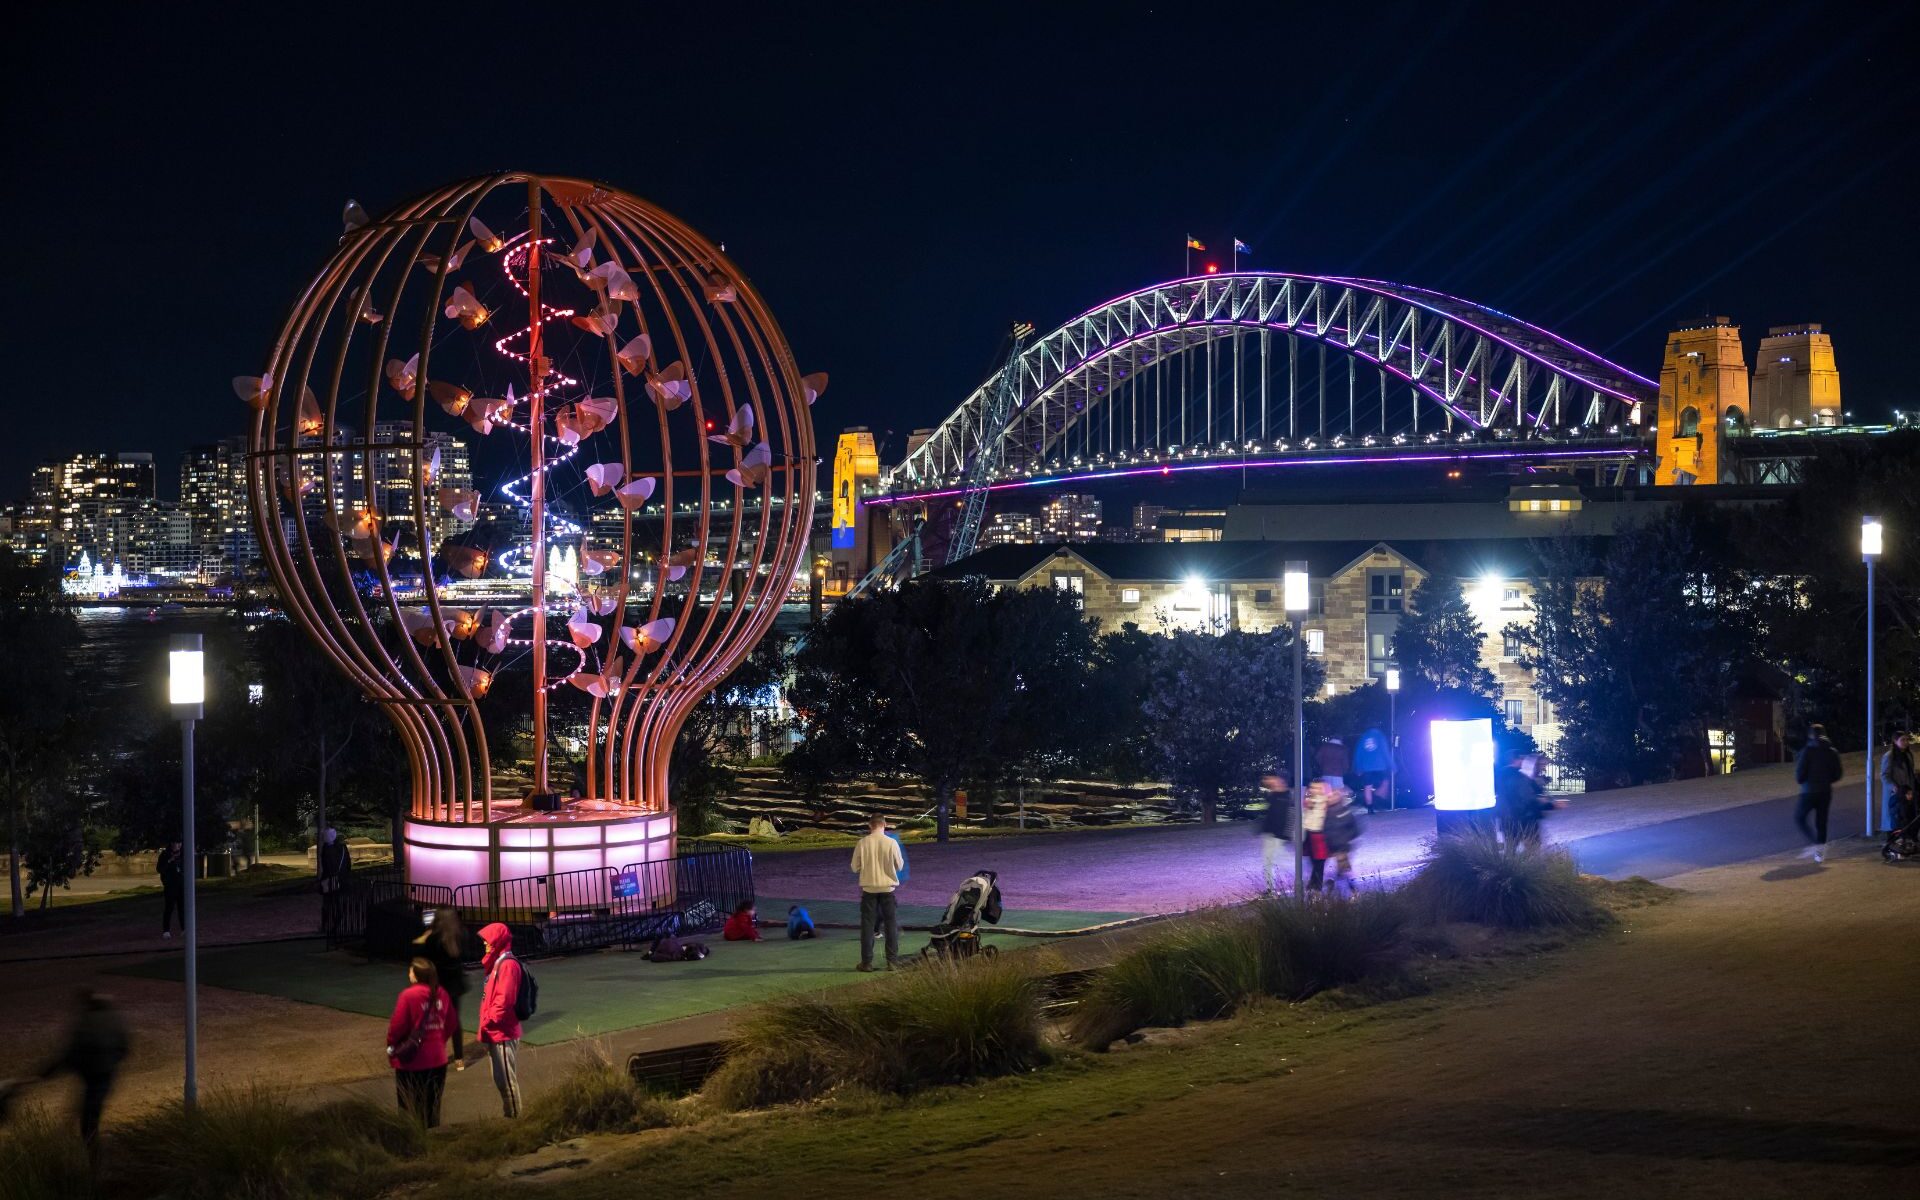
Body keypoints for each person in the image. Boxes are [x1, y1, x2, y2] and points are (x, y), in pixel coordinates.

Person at [36, 989, 128, 1168]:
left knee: (88, 1123)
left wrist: (44, 1073)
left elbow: (70, 1055)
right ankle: (91, 1157)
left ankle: (95, 1165)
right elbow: (124, 1048)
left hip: (95, 1077)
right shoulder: (112, 1018)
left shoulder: (87, 1023)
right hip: (104, 1076)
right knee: (87, 1113)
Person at [385, 957, 457, 1128]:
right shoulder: (441, 993)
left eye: (410, 970)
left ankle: (413, 1145)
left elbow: (397, 1027)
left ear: (416, 975)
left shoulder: (409, 995)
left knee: (409, 1107)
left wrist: (392, 1046)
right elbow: (451, 1022)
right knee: (432, 1107)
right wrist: (438, 1040)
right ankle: (432, 1142)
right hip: (438, 1059)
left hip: (413, 1061)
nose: (408, 973)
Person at [476, 922, 525, 1118]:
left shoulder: (508, 965)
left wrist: (489, 1020)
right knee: (501, 1079)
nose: (485, 944)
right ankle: (511, 1115)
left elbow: (504, 1000)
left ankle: (515, 1120)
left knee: (506, 1081)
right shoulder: (498, 964)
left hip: (502, 1032)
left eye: (488, 940)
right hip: (496, 1031)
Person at [411, 909, 470, 1070]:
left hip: (439, 984)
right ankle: (459, 1059)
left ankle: (438, 1055)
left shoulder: (433, 938)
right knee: (455, 1020)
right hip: (456, 984)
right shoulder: (461, 935)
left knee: (436, 1020)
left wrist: (421, 939)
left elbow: (420, 955)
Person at [849, 813, 904, 971]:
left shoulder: (862, 843)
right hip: (888, 889)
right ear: (884, 824)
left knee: (867, 926)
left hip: (869, 889)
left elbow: (854, 867)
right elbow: (899, 865)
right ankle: (892, 962)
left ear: (870, 826)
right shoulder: (891, 843)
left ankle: (866, 963)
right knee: (890, 925)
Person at [1794, 722, 1844, 862]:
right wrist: (1827, 780)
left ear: (1811, 735)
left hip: (1808, 791)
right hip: (1825, 791)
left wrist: (1804, 780)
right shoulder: (1832, 751)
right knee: (1821, 822)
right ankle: (1819, 853)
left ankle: (1815, 843)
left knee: (1799, 818)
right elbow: (1838, 773)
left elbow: (1799, 774)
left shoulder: (1807, 750)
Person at [1495, 749, 1551, 849]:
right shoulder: (1519, 776)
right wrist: (1546, 803)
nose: (1524, 761)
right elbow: (1528, 797)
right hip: (1524, 817)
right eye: (1522, 758)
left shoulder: (1499, 775)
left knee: (1510, 849)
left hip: (1506, 819)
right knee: (1533, 848)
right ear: (1517, 760)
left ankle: (1508, 865)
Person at [1300, 778, 1342, 891]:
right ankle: (1315, 883)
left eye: (1318, 788)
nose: (1314, 790)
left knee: (1319, 862)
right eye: (1313, 787)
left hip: (1321, 836)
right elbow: (1305, 818)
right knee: (1314, 861)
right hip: (1310, 835)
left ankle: (1316, 886)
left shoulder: (1327, 801)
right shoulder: (1309, 801)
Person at [1257, 769, 1293, 895]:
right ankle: (1270, 889)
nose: (1270, 782)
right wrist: (1262, 830)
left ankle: (1294, 882)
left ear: (1282, 781)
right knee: (1268, 861)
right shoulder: (1272, 795)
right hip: (1270, 834)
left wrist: (1287, 835)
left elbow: (1292, 817)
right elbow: (1268, 815)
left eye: (1273, 779)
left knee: (1281, 861)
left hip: (1280, 836)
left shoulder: (1289, 797)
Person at [1880, 729, 1915, 837]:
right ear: (1895, 741)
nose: (1906, 742)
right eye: (1902, 740)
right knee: (1895, 816)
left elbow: (1910, 773)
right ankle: (1893, 839)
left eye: (1907, 740)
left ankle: (1907, 838)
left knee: (1907, 815)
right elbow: (1884, 775)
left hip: (1907, 790)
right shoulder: (1889, 756)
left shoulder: (1908, 755)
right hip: (1896, 792)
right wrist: (1894, 787)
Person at [318, 828, 352, 934]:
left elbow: (327, 866)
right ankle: (333, 925)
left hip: (330, 880)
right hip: (340, 879)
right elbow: (348, 864)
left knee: (329, 904)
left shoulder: (326, 849)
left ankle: (327, 926)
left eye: (325, 836)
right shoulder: (342, 847)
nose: (323, 837)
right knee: (335, 903)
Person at [1352, 728, 1392, 810]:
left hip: (1367, 768)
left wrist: (1358, 768)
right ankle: (1380, 802)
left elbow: (1358, 754)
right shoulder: (1380, 736)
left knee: (1367, 787)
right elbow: (1385, 752)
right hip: (1380, 766)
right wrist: (1392, 765)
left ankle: (1370, 808)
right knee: (1385, 782)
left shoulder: (1363, 737)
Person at [156, 841, 185, 939]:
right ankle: (166, 930)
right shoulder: (165, 855)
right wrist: (169, 861)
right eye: (176, 843)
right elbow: (160, 869)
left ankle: (184, 929)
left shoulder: (183, 854)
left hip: (181, 885)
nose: (178, 845)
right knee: (169, 908)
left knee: (182, 908)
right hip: (170, 886)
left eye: (180, 843)